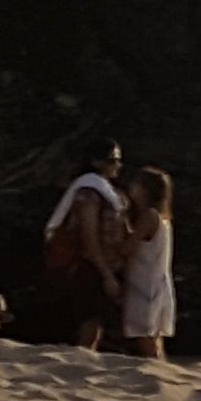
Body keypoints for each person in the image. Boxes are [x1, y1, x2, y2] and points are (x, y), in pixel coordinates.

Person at [33, 140, 131, 351]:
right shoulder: (89, 191)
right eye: (112, 160)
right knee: (90, 322)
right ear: (96, 162)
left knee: (99, 323)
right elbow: (89, 237)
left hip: (110, 264)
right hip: (91, 265)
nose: (118, 165)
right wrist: (106, 274)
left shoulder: (112, 193)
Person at [114, 166, 181, 363]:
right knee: (154, 336)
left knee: (146, 337)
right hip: (157, 281)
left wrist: (117, 231)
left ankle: (159, 372)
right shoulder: (162, 217)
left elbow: (128, 248)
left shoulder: (149, 216)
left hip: (145, 283)